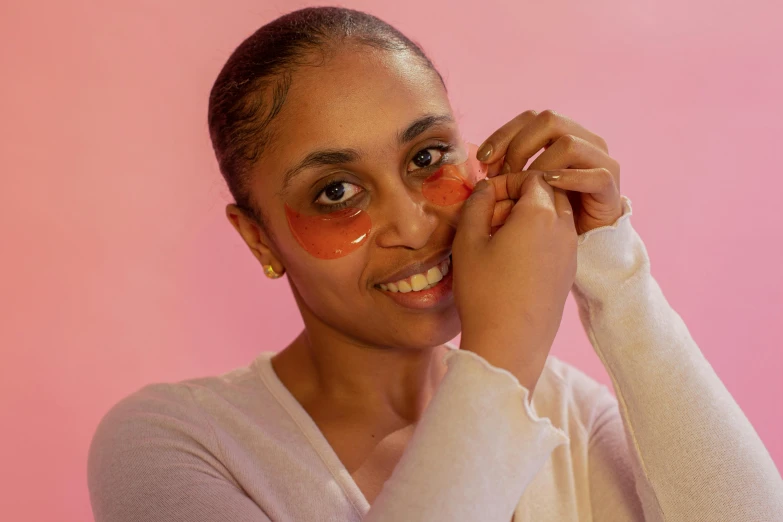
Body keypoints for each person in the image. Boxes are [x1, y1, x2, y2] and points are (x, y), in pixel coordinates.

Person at [87, 6, 783, 521]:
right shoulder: (171, 444)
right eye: (335, 192)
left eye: (426, 158)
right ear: (260, 239)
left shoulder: (564, 412)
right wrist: (506, 348)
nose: (415, 224)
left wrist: (612, 273)